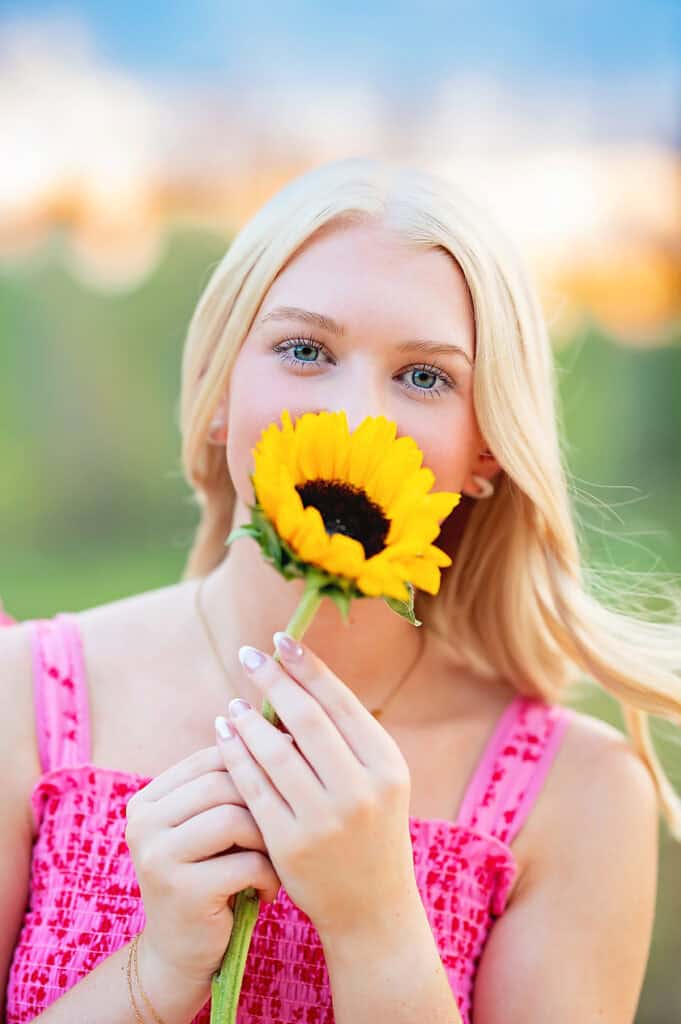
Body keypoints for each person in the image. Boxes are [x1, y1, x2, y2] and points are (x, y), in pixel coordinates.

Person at [1, 157, 677, 1024]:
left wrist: (375, 928)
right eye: (304, 350)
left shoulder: (574, 795)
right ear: (219, 391)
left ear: (486, 449)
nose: (355, 418)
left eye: (424, 376)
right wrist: (157, 969)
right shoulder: (27, 693)